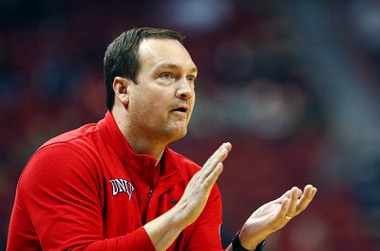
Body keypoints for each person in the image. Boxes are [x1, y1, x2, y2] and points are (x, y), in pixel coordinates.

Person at [6, 27, 317, 251]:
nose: (185, 90)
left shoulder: (193, 180)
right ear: (122, 90)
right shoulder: (63, 160)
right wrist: (178, 217)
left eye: (191, 78)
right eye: (167, 75)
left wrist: (244, 244)